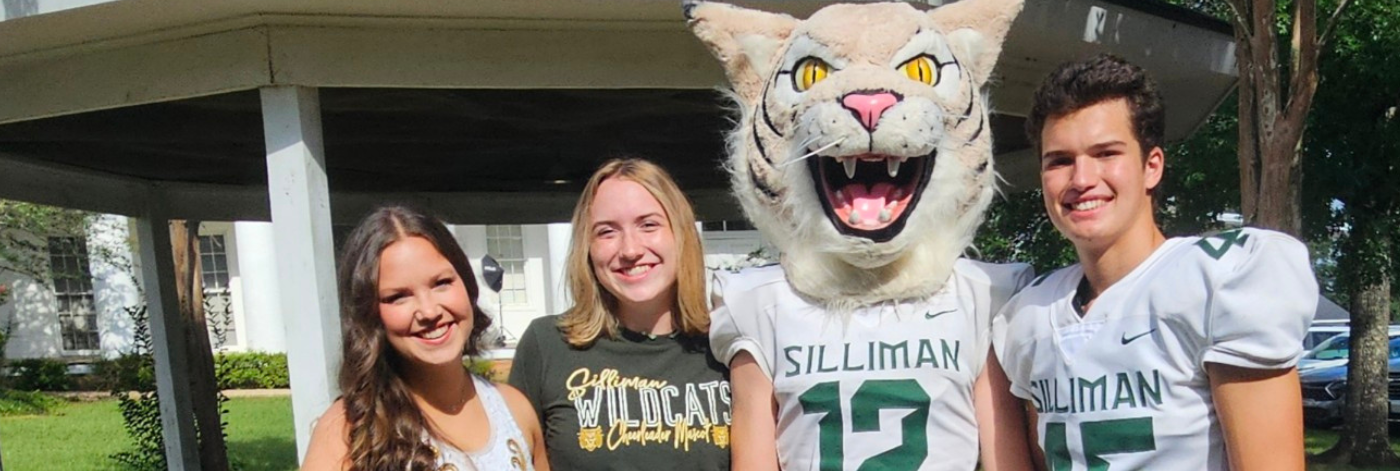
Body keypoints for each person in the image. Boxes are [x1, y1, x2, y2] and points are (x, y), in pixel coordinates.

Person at [993, 54, 1317, 471]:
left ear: (1151, 167)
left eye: (1106, 153)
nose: (1081, 179)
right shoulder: (1030, 314)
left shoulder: (1216, 281)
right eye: (1060, 160)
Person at [508, 158, 732, 471]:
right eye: (607, 232)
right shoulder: (547, 345)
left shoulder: (728, 344)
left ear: (680, 233)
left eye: (648, 225)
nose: (629, 250)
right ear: (587, 246)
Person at [302, 206, 548, 471]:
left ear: (467, 284)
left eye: (441, 283)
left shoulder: (516, 410)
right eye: (398, 296)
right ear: (369, 315)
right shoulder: (348, 432)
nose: (429, 311)